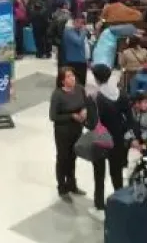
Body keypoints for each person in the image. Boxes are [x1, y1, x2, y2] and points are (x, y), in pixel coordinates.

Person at [89, 63, 133, 218]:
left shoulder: (95, 98)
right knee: (117, 173)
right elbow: (130, 119)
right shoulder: (121, 94)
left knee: (99, 172)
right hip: (118, 139)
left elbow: (90, 122)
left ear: (96, 78)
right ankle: (119, 200)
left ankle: (99, 203)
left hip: (100, 139)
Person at [49, 67, 90, 199]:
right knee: (63, 158)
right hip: (63, 131)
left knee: (73, 157)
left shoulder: (80, 89)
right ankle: (62, 186)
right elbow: (53, 116)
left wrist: (84, 110)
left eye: (72, 75)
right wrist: (71, 116)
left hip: (77, 129)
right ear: (62, 81)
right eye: (68, 76)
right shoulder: (57, 95)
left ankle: (72, 184)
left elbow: (86, 104)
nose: (72, 78)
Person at [60, 16, 90, 86]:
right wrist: (84, 31)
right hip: (73, 62)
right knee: (73, 83)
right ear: (74, 22)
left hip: (82, 61)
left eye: (82, 23)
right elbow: (78, 42)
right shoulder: (68, 31)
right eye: (79, 22)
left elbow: (85, 46)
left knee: (82, 83)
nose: (81, 25)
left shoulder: (80, 32)